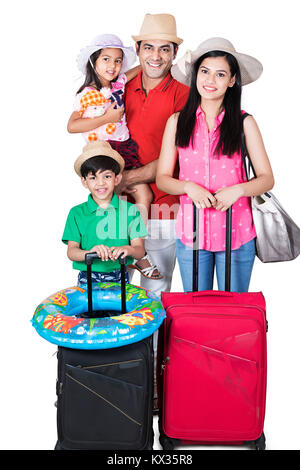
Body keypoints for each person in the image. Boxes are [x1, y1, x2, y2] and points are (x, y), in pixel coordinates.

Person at [156, 37, 274, 293]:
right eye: (205, 72)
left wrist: (239, 190)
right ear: (195, 74)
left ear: (232, 80)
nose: (210, 81)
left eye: (220, 74)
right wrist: (188, 187)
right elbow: (163, 178)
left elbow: (266, 178)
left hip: (237, 231)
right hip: (192, 233)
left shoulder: (245, 123)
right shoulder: (177, 122)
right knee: (196, 311)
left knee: (233, 311)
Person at [67, 34, 161, 280]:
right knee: (113, 200)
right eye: (106, 59)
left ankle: (137, 252)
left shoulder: (119, 81)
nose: (113, 66)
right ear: (94, 62)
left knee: (144, 193)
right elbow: (72, 125)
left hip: (125, 146)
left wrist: (160, 56)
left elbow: (142, 65)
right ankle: (125, 255)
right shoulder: (88, 92)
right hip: (104, 148)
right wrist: (107, 118)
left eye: (118, 61)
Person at [120, 13, 189, 296]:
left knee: (155, 290)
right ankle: (120, 342)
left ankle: (154, 344)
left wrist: (128, 178)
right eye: (149, 47)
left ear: (175, 54)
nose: (156, 56)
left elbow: (179, 153)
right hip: (117, 205)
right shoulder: (121, 89)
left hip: (164, 207)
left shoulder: (184, 94)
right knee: (111, 288)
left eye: (165, 49)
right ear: (137, 51)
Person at [62, 141, 150, 287]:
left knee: (120, 310)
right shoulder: (76, 213)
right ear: (84, 182)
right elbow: (72, 252)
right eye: (93, 177)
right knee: (89, 310)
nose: (101, 183)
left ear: (117, 179)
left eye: (107, 176)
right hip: (87, 278)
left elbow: (140, 251)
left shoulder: (131, 211)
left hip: (120, 275)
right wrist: (90, 252)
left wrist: (128, 249)